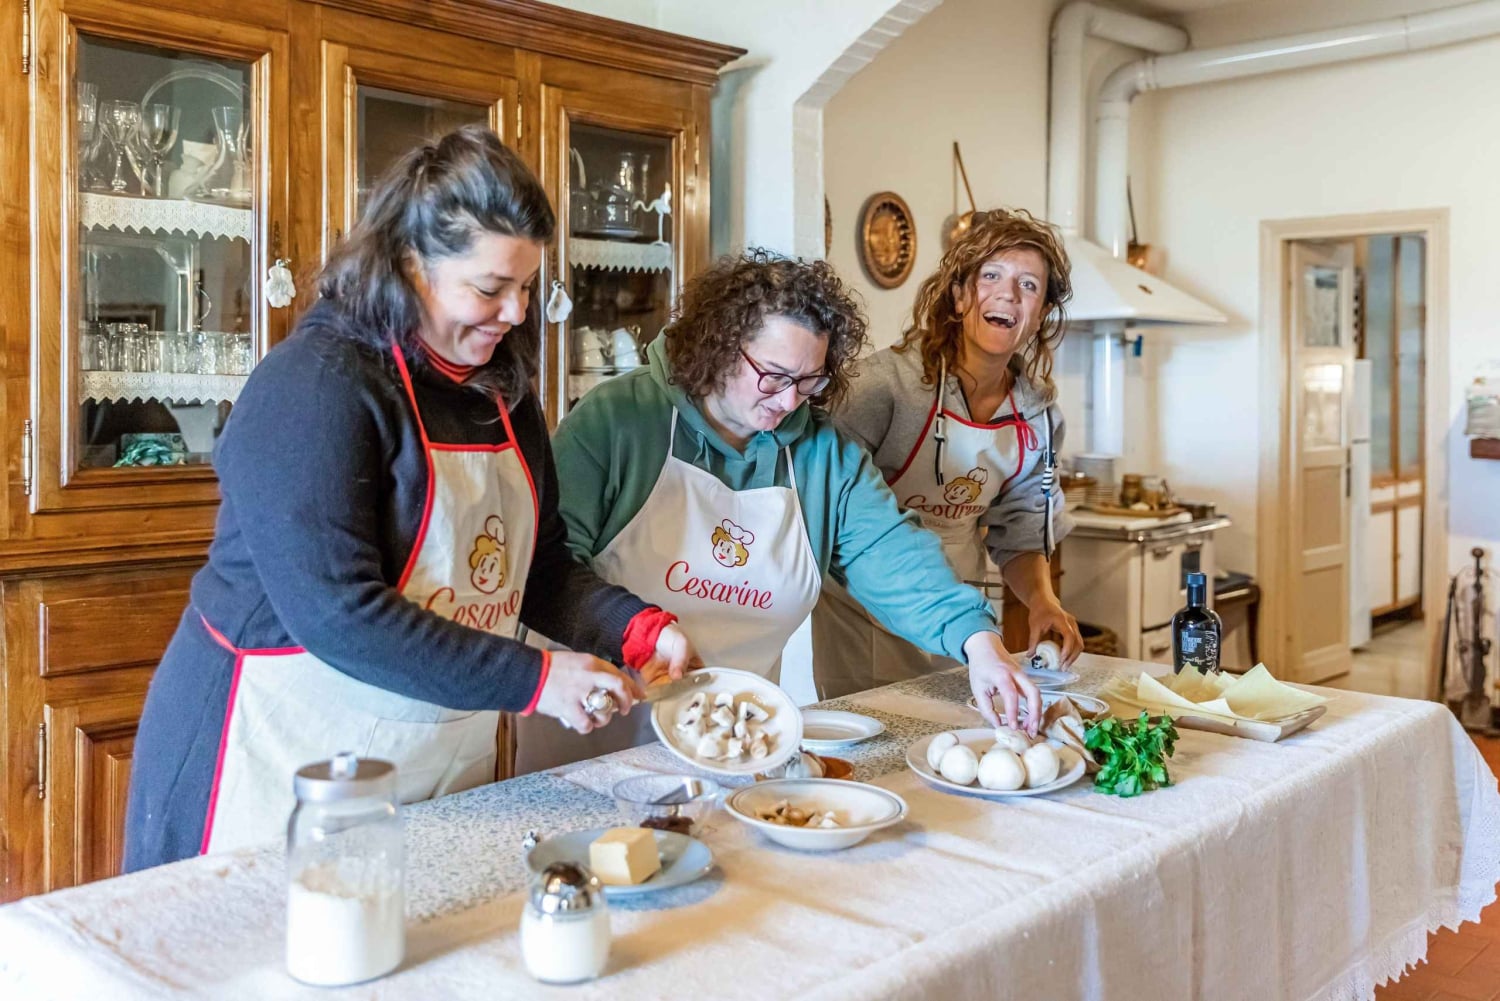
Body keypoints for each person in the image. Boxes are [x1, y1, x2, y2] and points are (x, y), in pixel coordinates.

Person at [123, 126, 695, 870]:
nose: (518, 313)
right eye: (491, 288)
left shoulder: (500, 388)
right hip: (274, 759)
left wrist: (633, 629)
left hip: (430, 755)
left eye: (527, 287)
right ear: (408, 265)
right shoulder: (316, 385)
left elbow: (538, 565)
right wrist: (537, 678)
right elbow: (340, 612)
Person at [514, 249, 1041, 773]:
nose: (790, 401)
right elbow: (548, 570)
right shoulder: (617, 423)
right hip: (592, 736)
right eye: (774, 376)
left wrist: (979, 641)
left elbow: (893, 555)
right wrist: (632, 631)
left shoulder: (823, 456)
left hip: (735, 744)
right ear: (717, 345)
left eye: (810, 382)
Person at [811, 208, 1082, 700]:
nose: (1007, 293)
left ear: (1041, 313)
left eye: (1028, 285)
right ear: (958, 296)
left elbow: (1022, 529)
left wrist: (1043, 601)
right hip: (864, 609)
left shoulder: (1038, 416)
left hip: (964, 607)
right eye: (990, 276)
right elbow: (825, 501)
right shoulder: (882, 388)